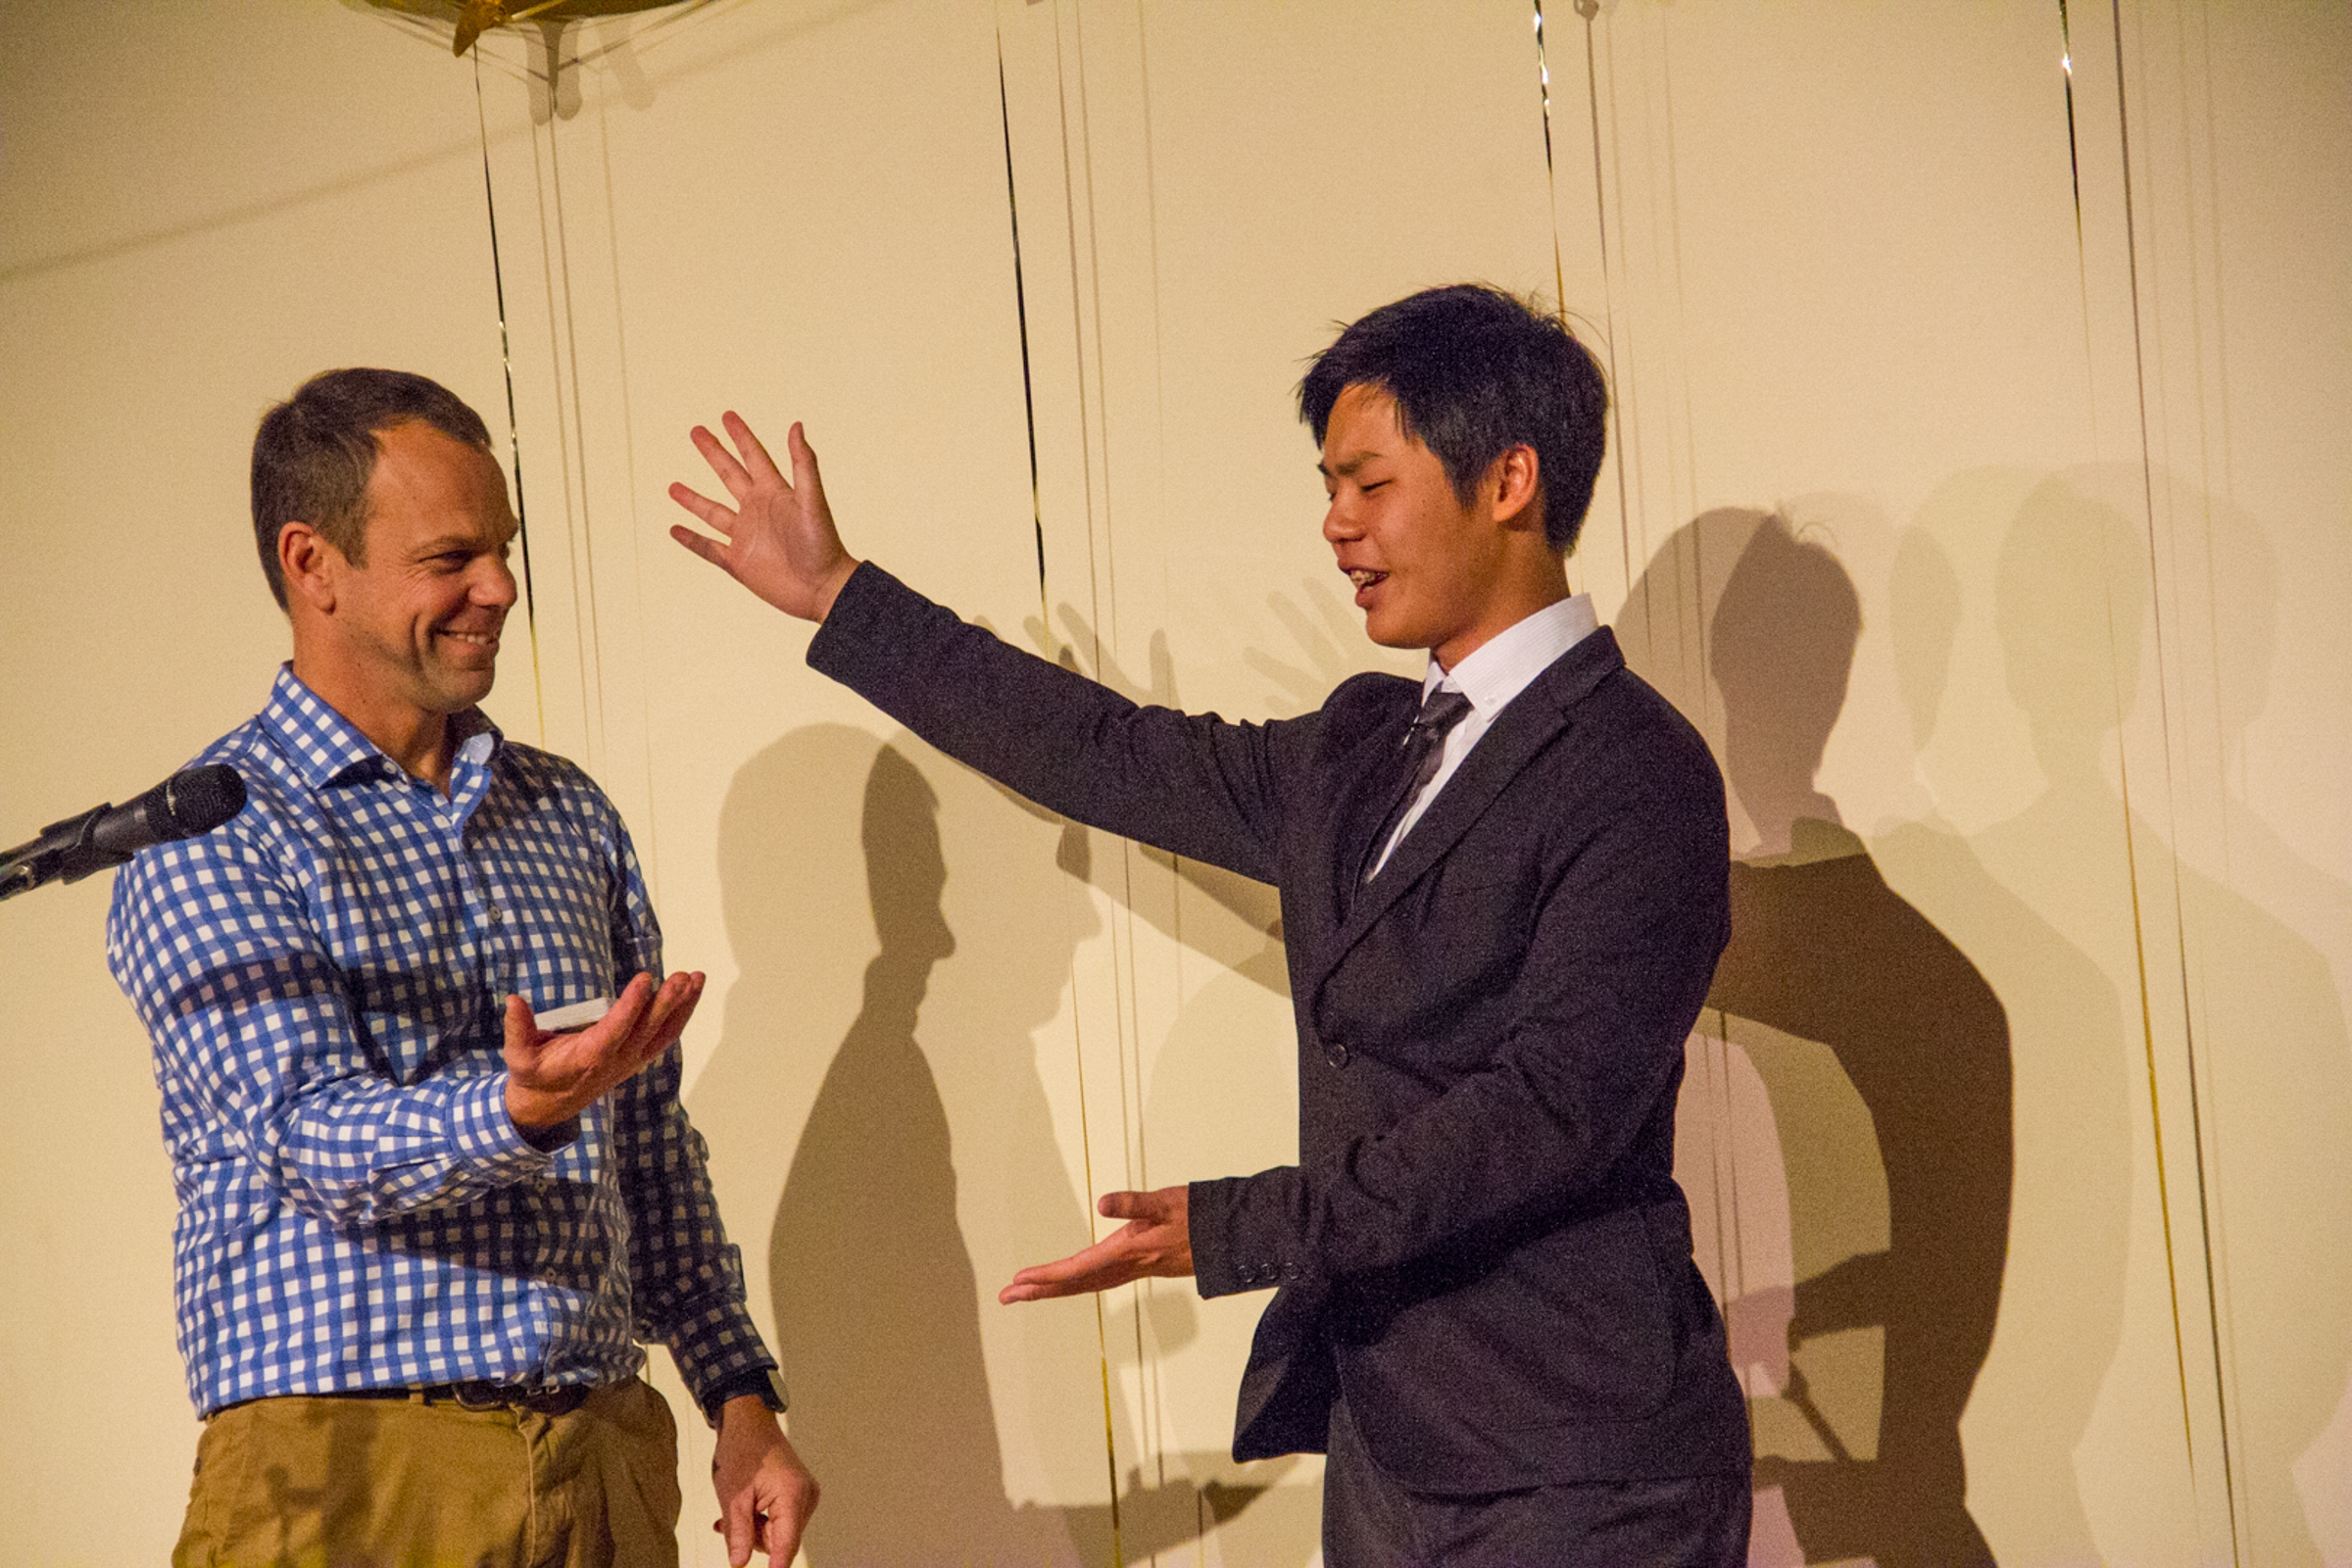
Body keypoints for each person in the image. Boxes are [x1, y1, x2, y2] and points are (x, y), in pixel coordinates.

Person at [669, 284, 1749, 1564]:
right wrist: (842, 596)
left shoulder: (1635, 769)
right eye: (1329, 487)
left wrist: (1240, 1227)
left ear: (1509, 480)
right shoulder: (1364, 746)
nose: (1337, 524)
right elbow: (1106, 751)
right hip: (1391, 1442)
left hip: (1582, 1464)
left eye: (1370, 484)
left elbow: (1552, 1110)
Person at [108, 368, 816, 1568]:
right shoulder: (215, 831)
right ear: (313, 564)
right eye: (452, 558)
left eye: (504, 549)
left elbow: (648, 1145)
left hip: (599, 1456)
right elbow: (306, 1134)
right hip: (353, 1467)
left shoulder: (566, 813)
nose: (500, 587)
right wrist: (518, 1108)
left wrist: (739, 1399)